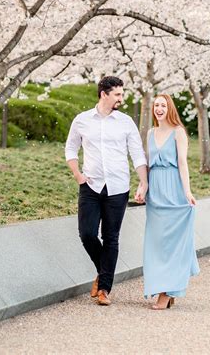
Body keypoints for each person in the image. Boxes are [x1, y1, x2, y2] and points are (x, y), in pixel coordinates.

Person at [65, 76, 148, 306]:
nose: (122, 98)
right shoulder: (82, 120)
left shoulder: (125, 122)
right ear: (104, 94)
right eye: (118, 94)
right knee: (87, 234)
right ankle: (104, 272)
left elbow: (137, 153)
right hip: (90, 186)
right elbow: (70, 148)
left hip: (118, 187)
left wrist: (143, 182)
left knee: (111, 238)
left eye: (122, 94)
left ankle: (104, 289)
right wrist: (78, 175)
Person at [143, 93, 200, 309]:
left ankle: (166, 292)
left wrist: (187, 192)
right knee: (156, 243)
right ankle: (167, 287)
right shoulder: (150, 133)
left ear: (170, 108)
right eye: (156, 105)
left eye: (163, 105)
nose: (159, 108)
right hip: (155, 193)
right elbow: (148, 164)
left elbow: (183, 164)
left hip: (173, 189)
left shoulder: (179, 133)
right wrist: (143, 186)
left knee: (171, 242)